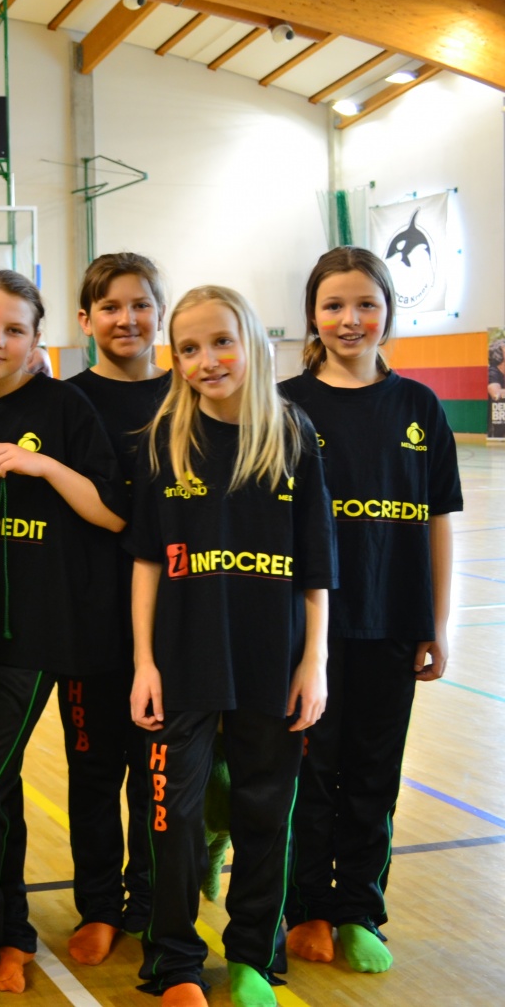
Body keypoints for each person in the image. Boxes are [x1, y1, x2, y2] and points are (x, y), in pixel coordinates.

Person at [126, 285, 336, 1007]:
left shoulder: (292, 434)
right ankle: (175, 960)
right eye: (188, 348)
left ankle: (253, 953)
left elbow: (316, 568)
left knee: (264, 814)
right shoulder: (165, 439)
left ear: (253, 343)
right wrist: (144, 662)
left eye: (222, 342)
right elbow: (147, 562)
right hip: (182, 660)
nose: (207, 360)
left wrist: (315, 661)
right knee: (175, 816)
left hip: (271, 660)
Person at [0, 271, 127, 1007]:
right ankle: (11, 927)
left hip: (39, 634)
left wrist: (43, 465)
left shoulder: (63, 407)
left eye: (14, 329)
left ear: (37, 339)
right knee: (0, 787)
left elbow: (113, 511)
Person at [280, 248, 463, 974]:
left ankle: (359, 908)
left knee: (374, 776)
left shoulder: (419, 407)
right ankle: (305, 909)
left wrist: (436, 624)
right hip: (308, 634)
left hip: (392, 623)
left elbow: (439, 519)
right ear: (312, 315)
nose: (350, 319)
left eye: (365, 304)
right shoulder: (286, 406)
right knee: (309, 775)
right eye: (334, 306)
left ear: (389, 311)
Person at [58, 253, 170, 960]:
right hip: (88, 623)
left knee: (159, 778)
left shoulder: (191, 395)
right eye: (110, 307)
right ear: (85, 319)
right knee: (94, 773)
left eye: (140, 304)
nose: (126, 319)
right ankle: (98, 904)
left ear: (160, 311)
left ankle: (153, 904)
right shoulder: (65, 401)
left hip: (173, 627)